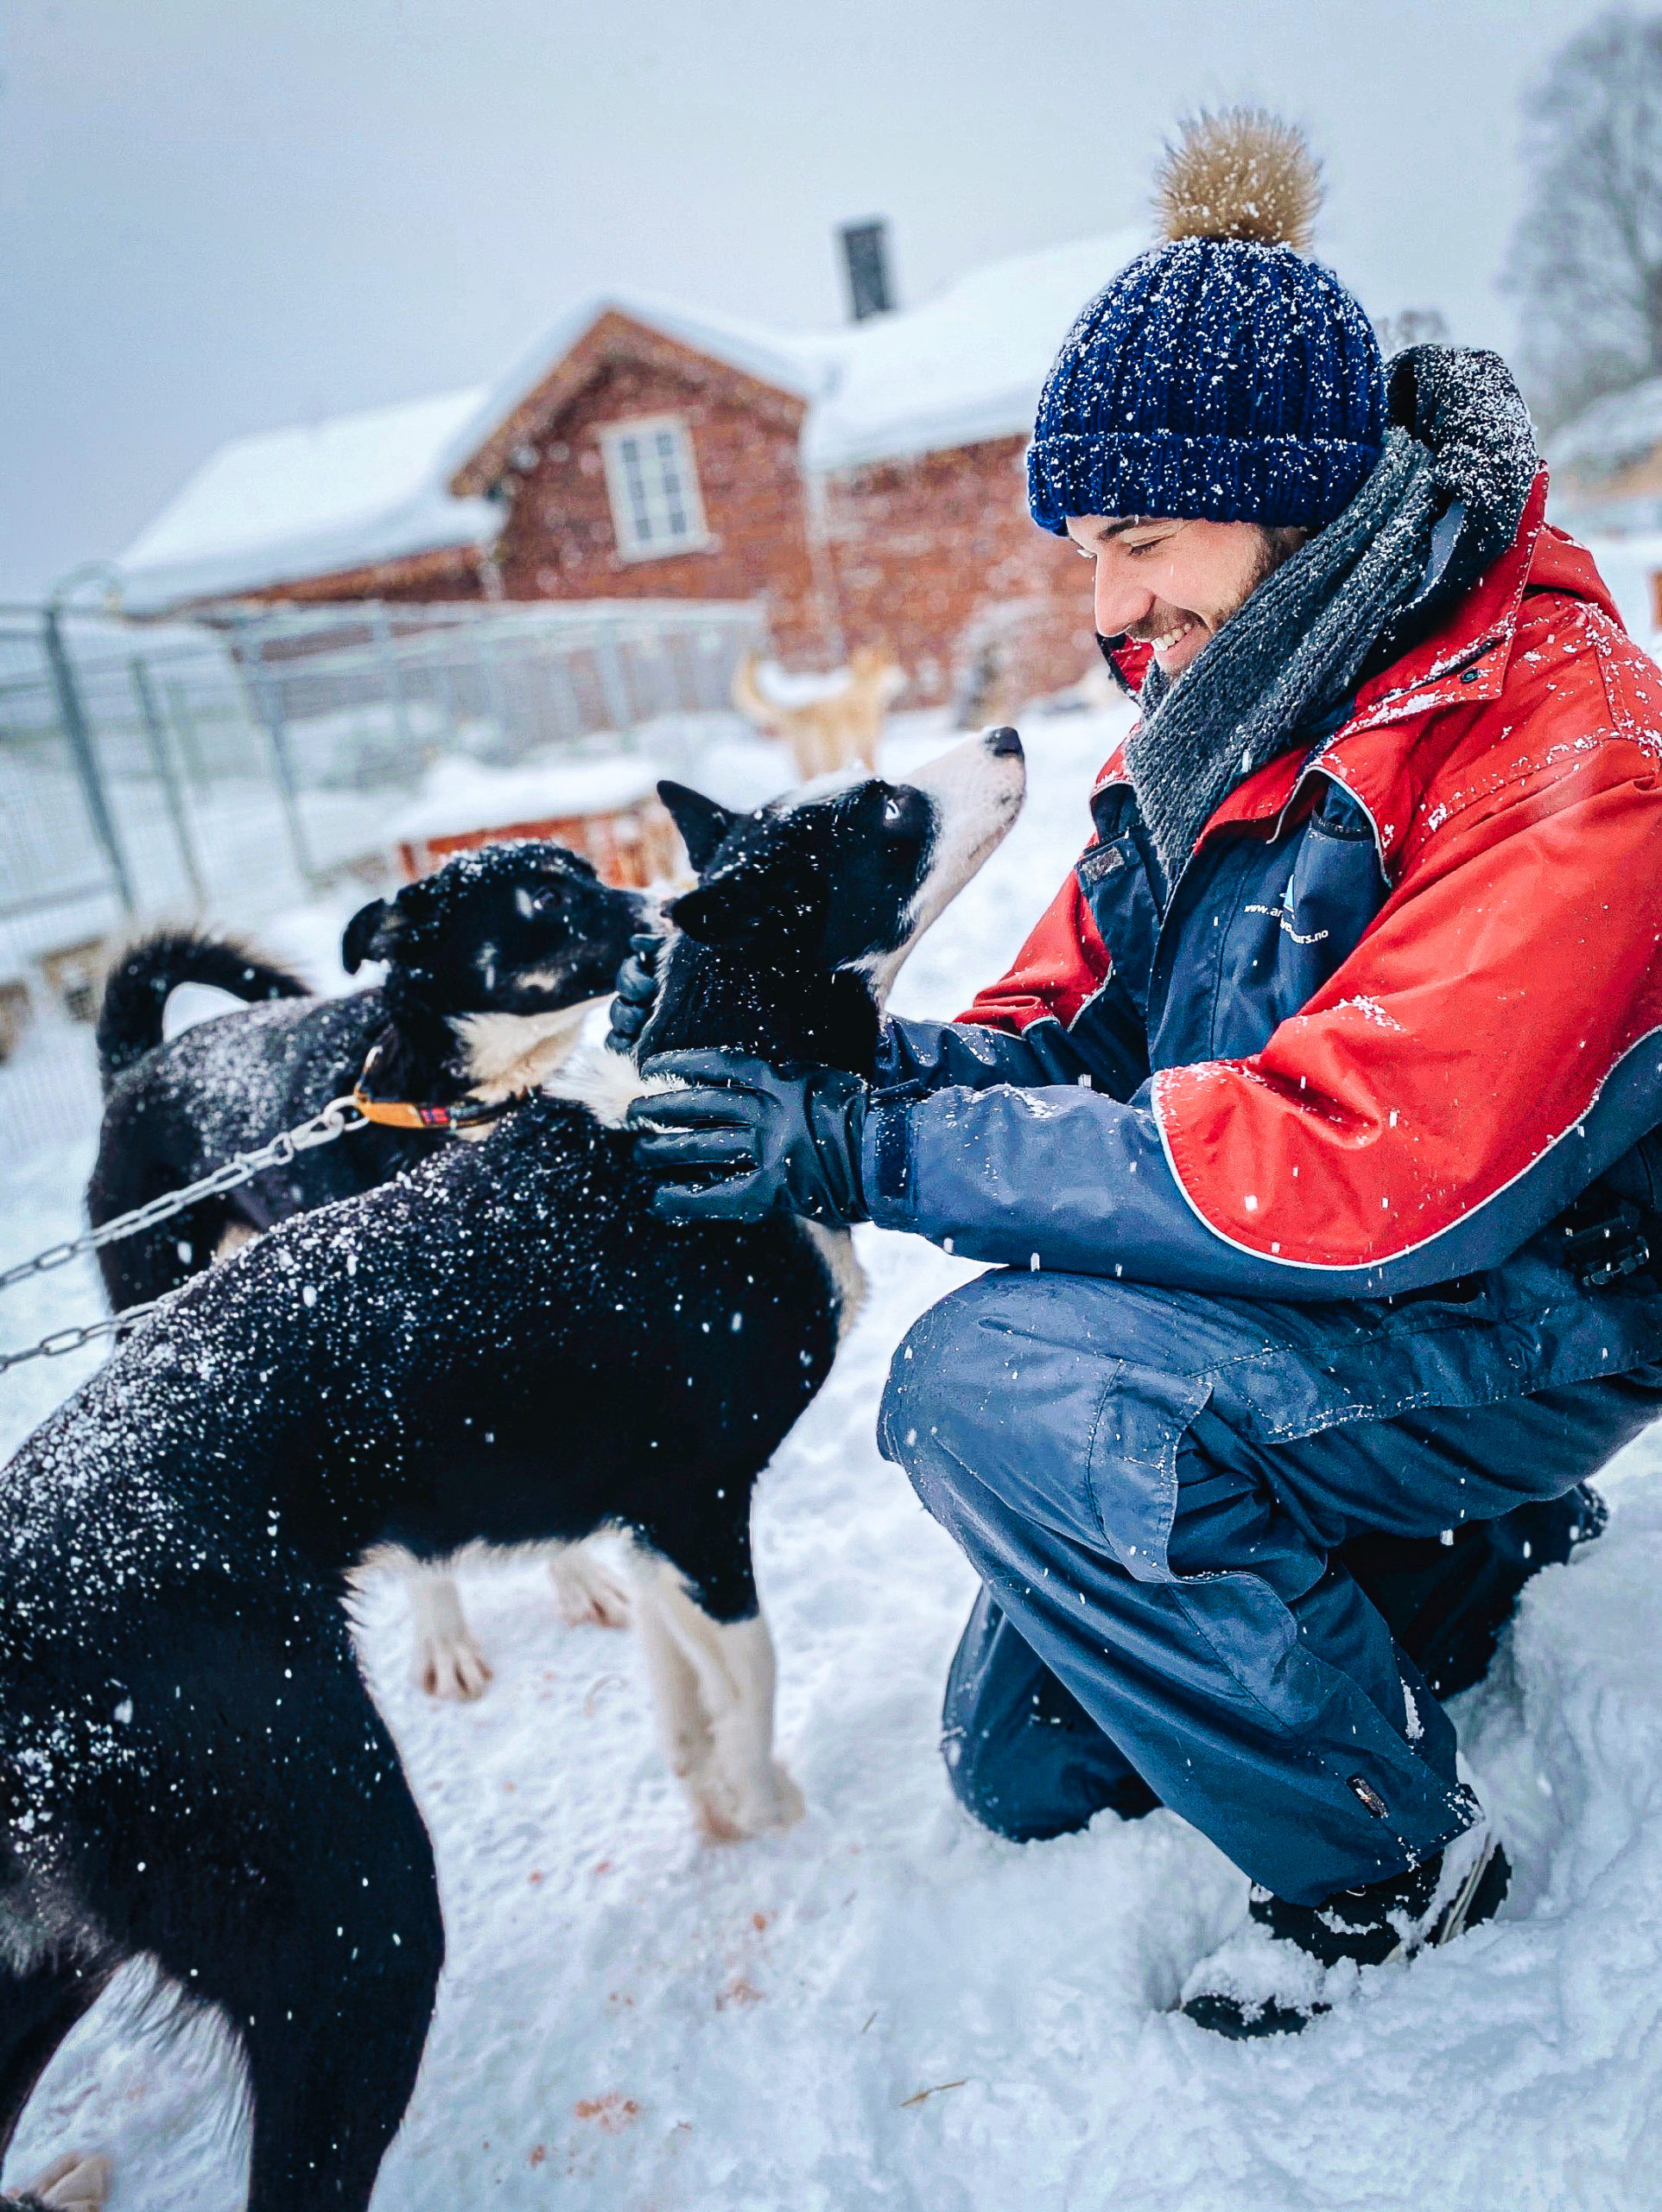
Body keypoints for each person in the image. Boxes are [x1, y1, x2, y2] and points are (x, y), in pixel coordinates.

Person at [619, 111, 1662, 2037]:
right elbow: (1054, 1042)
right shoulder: (1210, 714)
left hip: (1523, 1302)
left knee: (995, 1381)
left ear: (1286, 500)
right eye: (1082, 552)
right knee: (1023, 1766)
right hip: (1330, 1276)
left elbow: (1365, 1160)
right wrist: (783, 1054)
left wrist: (865, 1148)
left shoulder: (1562, 738)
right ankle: (1423, 1554)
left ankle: (1394, 1863)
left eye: (1136, 542)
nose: (1102, 610)